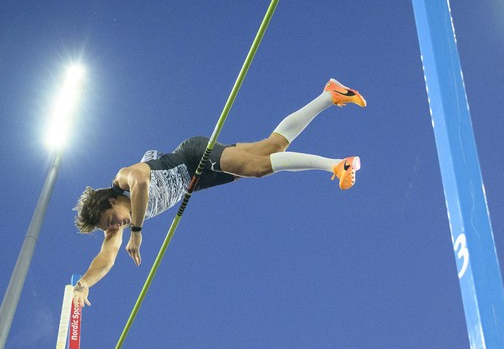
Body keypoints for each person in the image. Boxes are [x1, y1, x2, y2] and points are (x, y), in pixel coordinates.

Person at [72, 78, 366, 307]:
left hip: (191, 156)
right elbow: (107, 257)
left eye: (110, 219)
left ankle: (335, 166)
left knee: (257, 168)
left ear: (111, 200)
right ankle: (331, 94)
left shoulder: (123, 180)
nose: (113, 227)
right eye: (108, 227)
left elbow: (141, 181)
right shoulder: (116, 228)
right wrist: (85, 283)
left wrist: (136, 231)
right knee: (273, 147)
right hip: (197, 182)